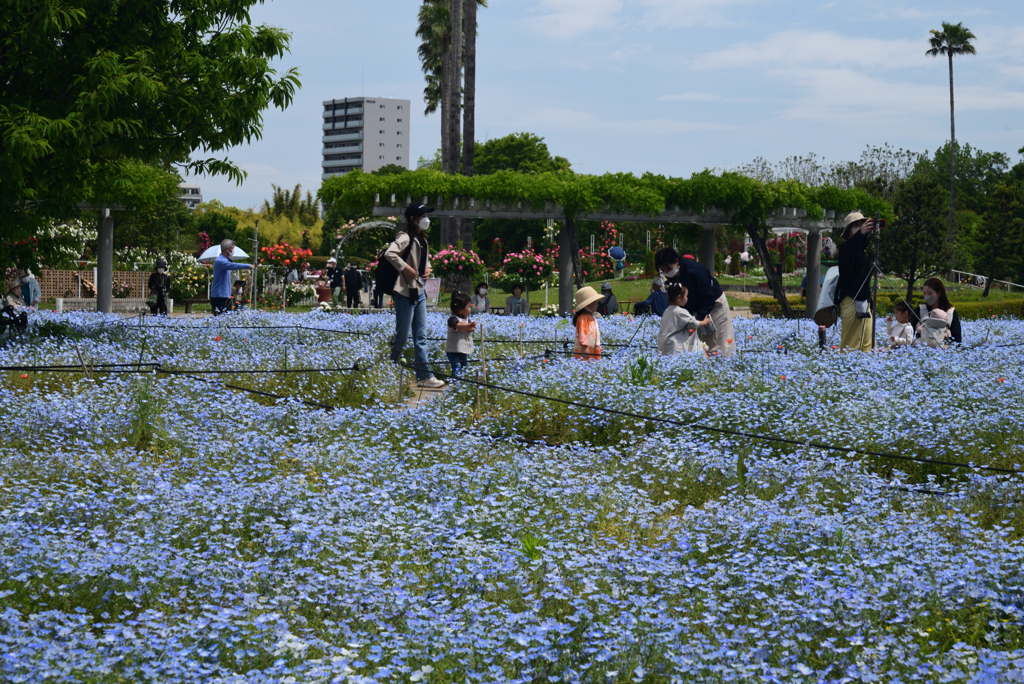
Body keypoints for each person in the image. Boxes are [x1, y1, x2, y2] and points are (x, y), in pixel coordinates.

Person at [386, 203, 445, 389]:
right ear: (413, 219)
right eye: (423, 215)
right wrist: (406, 268)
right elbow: (390, 253)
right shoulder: (405, 237)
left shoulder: (423, 241)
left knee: (421, 337)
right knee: (402, 335)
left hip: (418, 291)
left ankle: (425, 376)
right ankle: (389, 367)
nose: (426, 219)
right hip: (404, 291)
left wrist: (427, 269)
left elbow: (425, 262)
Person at [654, 248, 735, 357]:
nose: (666, 273)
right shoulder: (673, 277)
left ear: (677, 261)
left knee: (717, 343)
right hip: (694, 308)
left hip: (714, 305)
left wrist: (697, 319)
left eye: (668, 268)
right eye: (663, 271)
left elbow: (709, 297)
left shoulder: (695, 271)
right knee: (697, 344)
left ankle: (722, 367)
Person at [836, 212, 878, 352]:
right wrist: (860, 234)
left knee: (867, 343)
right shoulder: (845, 249)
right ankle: (846, 372)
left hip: (864, 303)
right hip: (850, 301)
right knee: (851, 344)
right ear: (848, 230)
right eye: (857, 224)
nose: (861, 227)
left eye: (862, 223)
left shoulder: (862, 251)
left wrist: (870, 303)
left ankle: (865, 371)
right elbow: (849, 263)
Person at [658, 283, 711, 355]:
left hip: (664, 346)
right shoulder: (681, 312)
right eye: (686, 296)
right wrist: (705, 322)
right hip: (675, 347)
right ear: (679, 298)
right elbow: (693, 323)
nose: (687, 298)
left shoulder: (667, 311)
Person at [914, 277, 961, 346]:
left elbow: (957, 339)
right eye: (924, 293)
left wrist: (947, 347)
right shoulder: (921, 309)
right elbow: (910, 329)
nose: (926, 296)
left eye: (929, 293)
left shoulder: (950, 311)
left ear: (939, 293)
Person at [212, 239, 252, 315]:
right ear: (227, 249)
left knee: (226, 319)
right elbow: (233, 266)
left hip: (225, 295)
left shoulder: (226, 260)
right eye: (232, 248)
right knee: (219, 320)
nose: (233, 250)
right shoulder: (220, 261)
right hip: (218, 296)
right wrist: (248, 266)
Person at [446, 292, 477, 376]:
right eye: (468, 307)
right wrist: (469, 325)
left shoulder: (467, 319)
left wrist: (471, 326)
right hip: (453, 350)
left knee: (464, 367)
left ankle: (462, 382)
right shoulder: (452, 319)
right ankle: (456, 382)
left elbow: (471, 329)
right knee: (456, 366)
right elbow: (458, 325)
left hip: (464, 349)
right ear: (460, 309)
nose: (470, 309)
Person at [573, 286, 603, 360]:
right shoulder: (583, 318)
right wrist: (584, 348)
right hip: (586, 349)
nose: (597, 304)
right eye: (594, 302)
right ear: (587, 305)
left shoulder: (590, 316)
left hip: (592, 346)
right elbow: (583, 333)